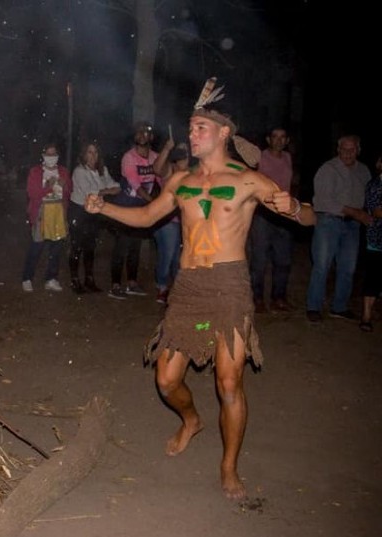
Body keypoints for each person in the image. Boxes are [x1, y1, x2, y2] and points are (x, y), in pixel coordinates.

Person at [84, 78, 315, 500]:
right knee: (167, 380)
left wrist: (296, 208)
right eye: (190, 128)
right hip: (188, 286)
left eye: (199, 128)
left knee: (229, 383)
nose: (191, 134)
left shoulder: (248, 180)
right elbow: (147, 217)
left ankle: (229, 467)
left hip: (229, 285)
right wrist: (106, 208)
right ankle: (191, 420)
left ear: (223, 133)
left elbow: (310, 218)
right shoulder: (179, 180)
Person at [305, 135, 372, 321]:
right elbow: (322, 201)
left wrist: (365, 214)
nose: (348, 153)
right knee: (322, 265)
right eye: (344, 149)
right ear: (338, 149)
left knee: (348, 268)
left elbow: (366, 197)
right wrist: (356, 212)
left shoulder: (364, 171)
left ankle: (339, 306)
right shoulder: (328, 169)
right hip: (329, 222)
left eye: (352, 149)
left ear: (358, 150)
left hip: (352, 226)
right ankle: (314, 306)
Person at [249, 127, 298, 313]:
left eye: (282, 137)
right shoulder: (258, 158)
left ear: (287, 140)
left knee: (283, 259)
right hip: (263, 214)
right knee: (259, 260)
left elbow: (290, 184)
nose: (278, 140)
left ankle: (279, 297)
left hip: (284, 215)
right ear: (268, 139)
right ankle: (258, 298)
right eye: (275, 137)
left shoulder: (288, 158)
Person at [108, 121, 157, 299]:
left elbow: (162, 177)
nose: (142, 135)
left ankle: (132, 283)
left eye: (146, 132)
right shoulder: (129, 157)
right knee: (122, 246)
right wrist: (154, 203)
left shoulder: (155, 158)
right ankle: (115, 285)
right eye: (139, 132)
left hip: (141, 207)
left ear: (151, 137)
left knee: (135, 246)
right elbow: (136, 185)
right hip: (126, 206)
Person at [68, 141, 120, 293]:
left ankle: (89, 279)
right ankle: (75, 280)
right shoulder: (79, 171)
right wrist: (106, 191)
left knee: (90, 247)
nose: (93, 156)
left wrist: (104, 191)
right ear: (84, 154)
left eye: (95, 152)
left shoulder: (102, 170)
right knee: (76, 247)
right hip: (79, 210)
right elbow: (90, 193)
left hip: (95, 212)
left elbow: (116, 186)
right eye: (90, 152)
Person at [22, 142, 73, 292]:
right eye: (48, 154)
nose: (51, 157)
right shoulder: (36, 172)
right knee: (36, 246)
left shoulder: (63, 171)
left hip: (58, 212)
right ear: (43, 155)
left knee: (56, 248)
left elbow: (69, 191)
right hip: (41, 213)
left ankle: (51, 278)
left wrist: (65, 186)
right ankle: (27, 277)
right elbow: (32, 194)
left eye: (54, 154)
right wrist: (49, 187)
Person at [151, 137, 187, 305]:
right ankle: (162, 287)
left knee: (177, 258)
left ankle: (174, 289)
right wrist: (166, 148)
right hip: (166, 221)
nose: (183, 155)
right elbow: (157, 169)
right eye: (179, 151)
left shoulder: (193, 172)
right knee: (168, 255)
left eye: (185, 151)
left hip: (184, 222)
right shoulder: (170, 170)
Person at [360, 151, 382, 332]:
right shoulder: (375, 185)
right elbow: (377, 211)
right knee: (373, 278)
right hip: (376, 240)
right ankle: (366, 316)